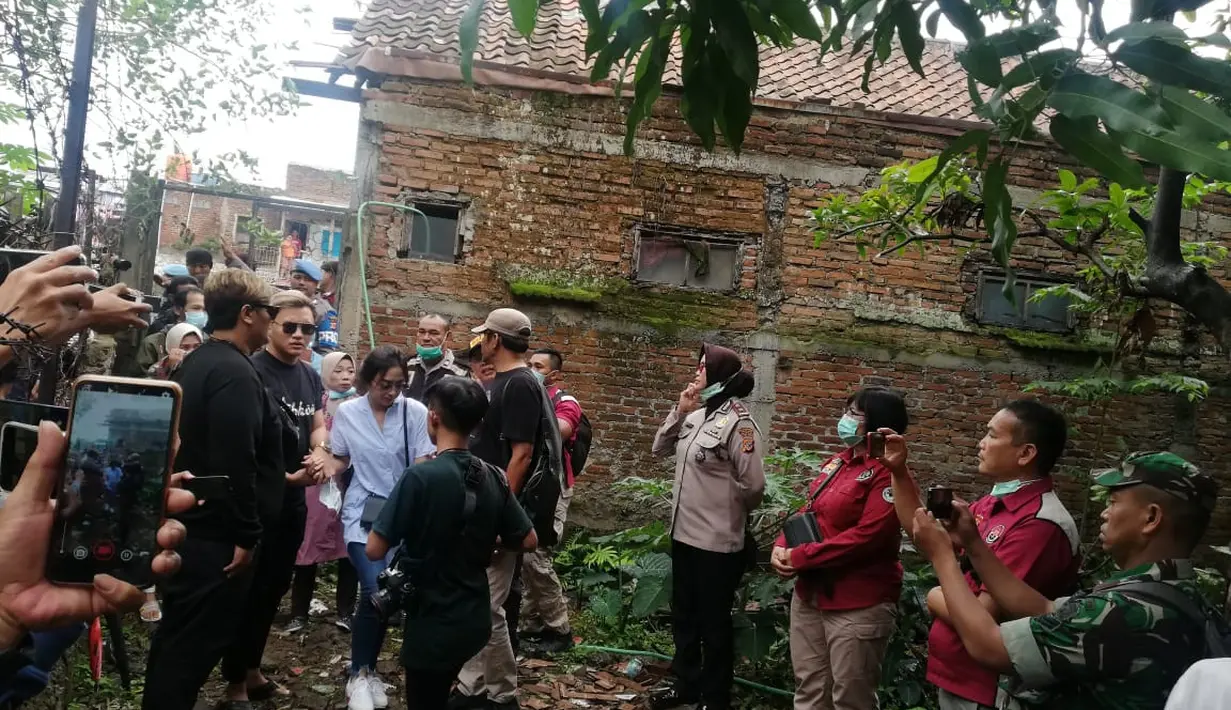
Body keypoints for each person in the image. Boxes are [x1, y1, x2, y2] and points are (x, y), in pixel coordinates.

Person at [909, 451, 1219, 710]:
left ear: (1151, 518)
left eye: (1114, 502)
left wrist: (942, 556)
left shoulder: (1120, 611)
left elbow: (990, 647)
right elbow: (1042, 607)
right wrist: (974, 544)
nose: (1104, 513)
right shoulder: (1180, 596)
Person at [141, 268, 283, 710]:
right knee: (191, 646)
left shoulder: (201, 362)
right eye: (269, 312)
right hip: (215, 537)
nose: (272, 321)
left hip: (196, 526)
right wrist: (245, 534)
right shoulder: (232, 372)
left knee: (182, 640)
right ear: (247, 314)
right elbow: (234, 459)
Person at [884, 399, 1079, 710]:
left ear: (1026, 453)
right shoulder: (994, 504)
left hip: (990, 691)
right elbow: (923, 532)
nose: (981, 443)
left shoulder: (1040, 524)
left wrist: (935, 597)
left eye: (991, 435)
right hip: (958, 678)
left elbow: (984, 615)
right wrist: (898, 470)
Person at [367, 376, 540, 710]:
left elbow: (375, 548)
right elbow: (529, 540)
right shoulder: (492, 475)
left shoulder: (420, 476)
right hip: (473, 618)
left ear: (433, 416)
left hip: (432, 620)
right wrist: (487, 538)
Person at [0, 422, 194, 707]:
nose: (95, 481)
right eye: (89, 476)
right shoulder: (77, 495)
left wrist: (6, 618)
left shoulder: (111, 491)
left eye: (96, 477)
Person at [218, 289, 329, 706]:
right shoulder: (252, 372)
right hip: (259, 498)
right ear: (269, 325)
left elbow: (317, 424)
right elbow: (243, 446)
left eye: (308, 328)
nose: (300, 335)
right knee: (247, 588)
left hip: (294, 501)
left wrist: (320, 451)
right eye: (290, 326)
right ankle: (233, 684)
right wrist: (285, 477)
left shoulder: (308, 373)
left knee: (273, 587)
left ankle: (252, 668)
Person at [770, 387, 909, 710]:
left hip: (857, 604)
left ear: (880, 425)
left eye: (855, 414)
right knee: (809, 689)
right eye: (846, 411)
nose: (844, 420)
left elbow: (868, 537)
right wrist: (781, 545)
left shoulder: (887, 474)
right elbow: (810, 510)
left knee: (851, 699)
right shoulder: (838, 463)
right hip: (811, 595)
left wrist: (802, 557)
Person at [650, 343, 765, 710]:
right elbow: (659, 448)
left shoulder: (740, 424)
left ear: (719, 374)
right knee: (684, 616)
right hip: (683, 535)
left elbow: (754, 486)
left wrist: (727, 513)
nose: (697, 372)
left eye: (703, 367)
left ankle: (715, 698)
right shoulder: (696, 417)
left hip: (718, 543)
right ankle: (686, 684)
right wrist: (679, 410)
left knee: (714, 625)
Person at [326, 346, 435, 710]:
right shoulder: (348, 414)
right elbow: (341, 456)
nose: (391, 393)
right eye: (383, 385)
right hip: (363, 512)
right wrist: (325, 464)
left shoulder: (414, 412)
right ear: (367, 381)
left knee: (385, 598)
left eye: (398, 385)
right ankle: (358, 675)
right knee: (374, 589)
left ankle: (370, 671)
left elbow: (421, 463)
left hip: (404, 516)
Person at [451, 308, 544, 710]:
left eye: (484, 336)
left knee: (488, 605)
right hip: (480, 505)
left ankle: (503, 694)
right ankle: (473, 685)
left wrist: (496, 512)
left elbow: (522, 455)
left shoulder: (520, 383)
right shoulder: (500, 381)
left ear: (495, 340)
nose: (480, 343)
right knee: (476, 602)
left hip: (499, 510)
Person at [289, 351, 361, 633]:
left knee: (348, 546)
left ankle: (345, 611)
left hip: (349, 483)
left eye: (349, 371)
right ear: (325, 373)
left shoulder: (359, 406)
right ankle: (299, 613)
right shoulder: (315, 405)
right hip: (316, 481)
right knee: (308, 544)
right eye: (338, 371)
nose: (345, 377)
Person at [518, 347, 583, 654]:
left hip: (552, 489)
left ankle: (560, 629)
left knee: (536, 556)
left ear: (554, 375)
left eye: (538, 366)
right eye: (529, 364)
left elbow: (561, 430)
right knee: (524, 556)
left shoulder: (565, 401)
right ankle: (529, 626)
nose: (531, 369)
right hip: (528, 486)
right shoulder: (527, 397)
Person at [139, 285, 205, 373]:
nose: (202, 313)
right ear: (178, 309)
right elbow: (139, 381)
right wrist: (165, 366)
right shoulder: (154, 343)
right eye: (196, 308)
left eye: (205, 309)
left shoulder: (209, 342)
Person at [405, 314, 469, 402]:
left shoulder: (460, 373)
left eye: (434, 333)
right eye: (422, 332)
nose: (426, 338)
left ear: (447, 336)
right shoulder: (406, 365)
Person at [290, 259, 340, 354]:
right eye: (297, 277)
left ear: (316, 284)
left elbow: (326, 352)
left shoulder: (324, 311)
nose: (301, 282)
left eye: (307, 279)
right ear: (290, 278)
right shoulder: (280, 302)